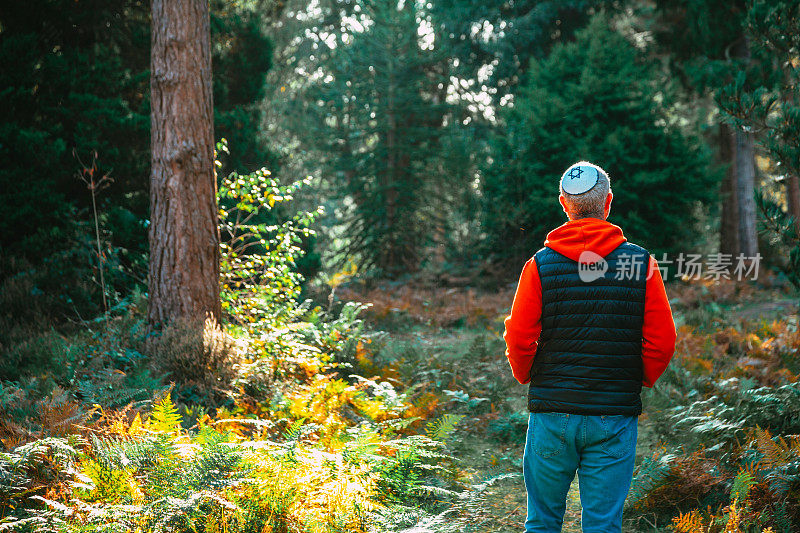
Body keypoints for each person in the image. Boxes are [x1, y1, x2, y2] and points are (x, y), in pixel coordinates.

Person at [503, 161, 677, 533]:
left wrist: (524, 375)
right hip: (614, 415)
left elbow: (519, 336)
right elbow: (662, 341)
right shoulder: (639, 263)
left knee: (542, 523)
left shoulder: (540, 265)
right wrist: (639, 378)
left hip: (551, 414)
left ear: (564, 204)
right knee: (602, 525)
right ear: (608, 202)